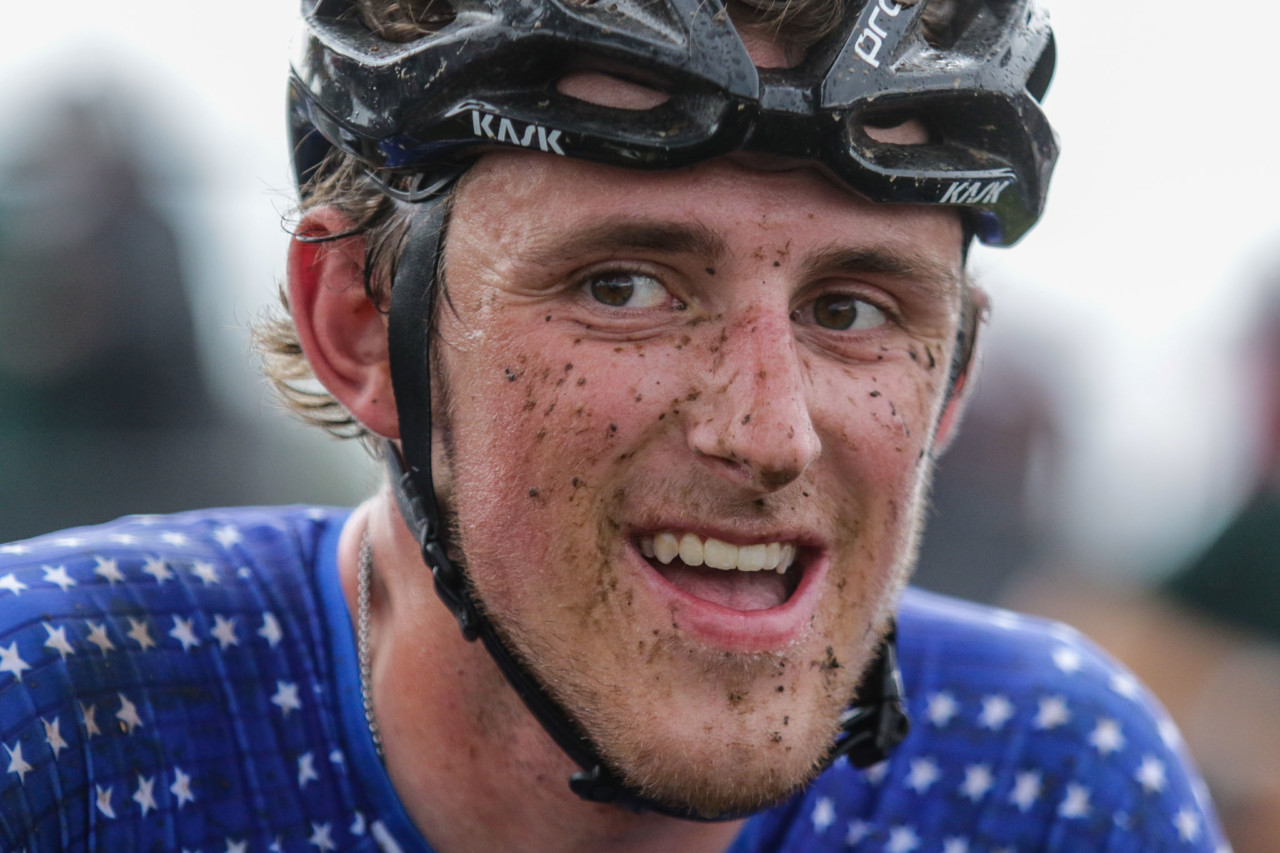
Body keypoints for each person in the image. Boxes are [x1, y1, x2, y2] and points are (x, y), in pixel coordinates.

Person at [0, 0, 1228, 850]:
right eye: (623, 286)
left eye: (851, 308)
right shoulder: (57, 732)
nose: (766, 431)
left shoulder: (1048, 785)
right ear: (365, 327)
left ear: (950, 381)